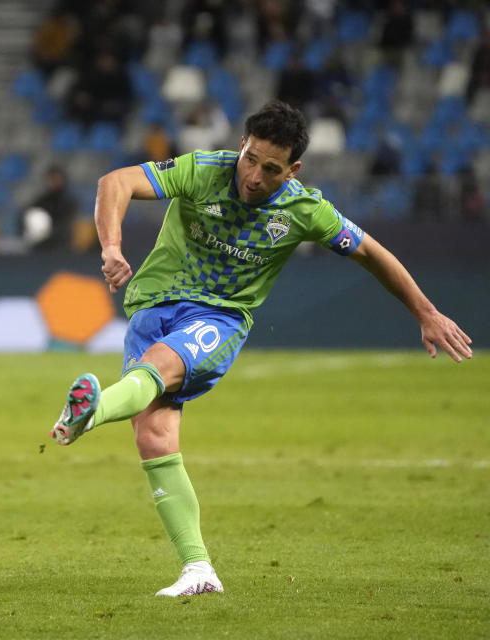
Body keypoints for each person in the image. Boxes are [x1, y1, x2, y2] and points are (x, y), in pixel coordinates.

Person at [49, 101, 473, 598]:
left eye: (270, 169)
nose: (252, 176)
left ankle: (91, 412)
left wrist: (425, 312)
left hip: (219, 316)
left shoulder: (304, 209)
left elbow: (370, 252)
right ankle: (198, 570)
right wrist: (112, 246)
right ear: (242, 145)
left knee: (157, 371)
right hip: (152, 306)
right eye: (250, 158)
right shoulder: (203, 169)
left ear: (292, 170)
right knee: (155, 435)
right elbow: (113, 183)